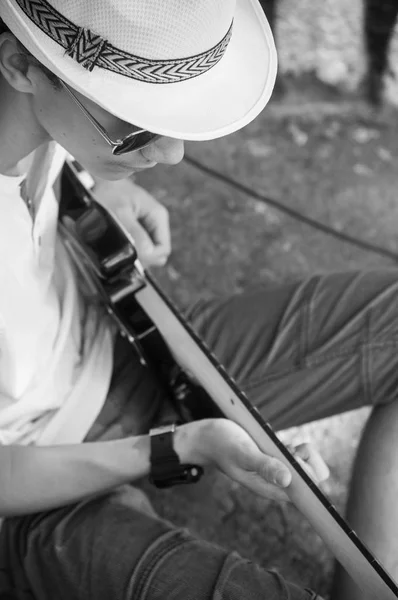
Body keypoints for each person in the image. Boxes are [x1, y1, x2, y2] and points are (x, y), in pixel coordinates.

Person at [0, 1, 396, 599]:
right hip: (35, 492)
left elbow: (58, 120)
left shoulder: (45, 113)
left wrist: (99, 179)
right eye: (138, 124)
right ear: (19, 65)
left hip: (120, 351)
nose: (174, 154)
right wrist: (179, 446)